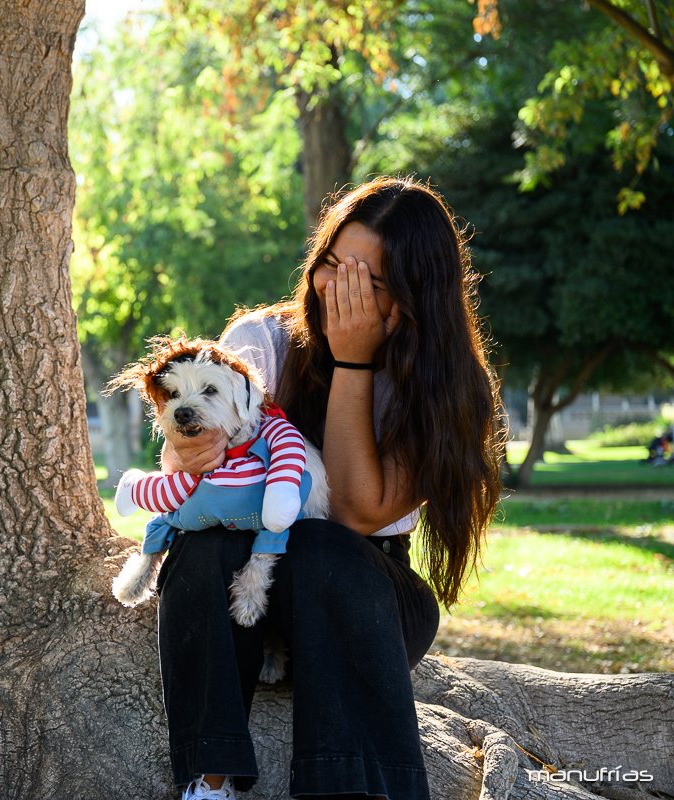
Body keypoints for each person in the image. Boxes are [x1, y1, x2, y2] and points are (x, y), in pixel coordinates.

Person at [156, 176, 502, 800]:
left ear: (413, 296)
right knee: (203, 544)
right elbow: (188, 467)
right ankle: (207, 785)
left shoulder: (446, 387)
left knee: (319, 545)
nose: (337, 289)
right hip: (239, 584)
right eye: (332, 265)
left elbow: (352, 513)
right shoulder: (260, 342)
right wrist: (188, 449)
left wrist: (353, 361)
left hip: (366, 592)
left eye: (366, 281)